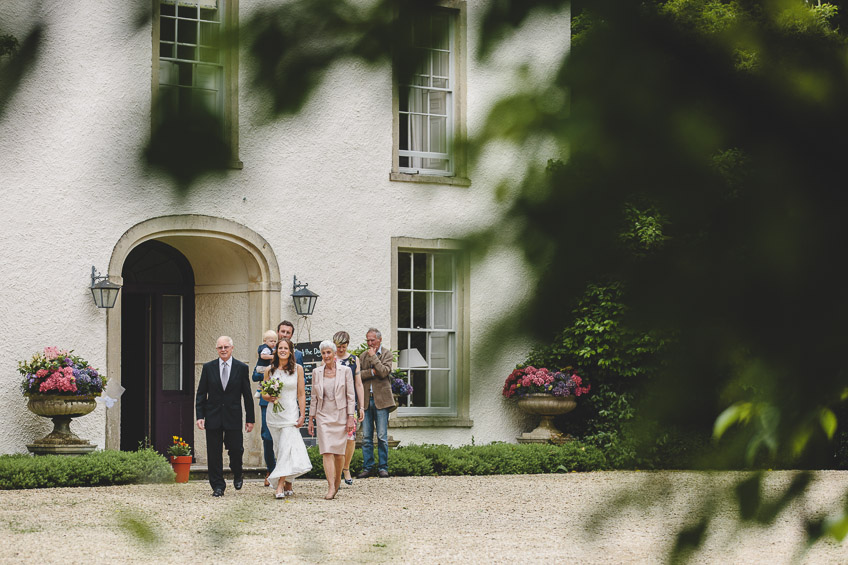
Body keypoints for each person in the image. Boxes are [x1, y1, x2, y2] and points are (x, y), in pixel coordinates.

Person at [195, 336, 255, 497]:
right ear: (216, 349)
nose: (223, 350)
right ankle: (218, 486)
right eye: (220, 347)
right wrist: (200, 416)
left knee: (236, 450)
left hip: (233, 416)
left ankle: (237, 473)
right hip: (212, 416)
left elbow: (247, 395)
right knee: (214, 453)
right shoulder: (208, 368)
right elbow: (201, 394)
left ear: (232, 348)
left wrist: (250, 418)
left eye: (226, 347)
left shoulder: (241, 368)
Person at [263, 338, 312, 499]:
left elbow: (301, 393)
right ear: (276, 351)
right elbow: (263, 393)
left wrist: (303, 414)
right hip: (274, 415)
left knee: (286, 448)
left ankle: (279, 484)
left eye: (286, 348)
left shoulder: (297, 369)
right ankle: (289, 481)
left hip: (290, 414)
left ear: (290, 351)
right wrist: (268, 396)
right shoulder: (269, 371)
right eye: (280, 348)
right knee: (279, 449)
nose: (282, 350)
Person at [308, 341, 355, 500]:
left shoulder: (346, 371)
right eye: (323, 353)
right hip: (323, 414)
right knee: (326, 451)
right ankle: (330, 486)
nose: (326, 356)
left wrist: (350, 417)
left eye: (329, 352)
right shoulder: (316, 372)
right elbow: (313, 397)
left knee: (339, 453)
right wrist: (311, 417)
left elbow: (350, 395)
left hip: (340, 414)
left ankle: (337, 481)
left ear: (334, 354)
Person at [357, 328, 395, 479]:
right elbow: (358, 375)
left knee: (381, 436)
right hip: (366, 400)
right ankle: (368, 467)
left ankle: (383, 468)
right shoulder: (362, 356)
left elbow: (384, 371)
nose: (370, 343)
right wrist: (372, 372)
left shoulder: (387, 354)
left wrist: (374, 358)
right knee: (366, 437)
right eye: (368, 340)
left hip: (382, 401)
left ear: (379, 340)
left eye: (372, 340)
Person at [333, 331, 365, 486]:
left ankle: (346, 467)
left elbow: (358, 383)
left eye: (343, 347)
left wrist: (362, 406)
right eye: (338, 346)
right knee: (335, 437)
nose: (340, 350)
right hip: (333, 404)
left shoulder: (353, 360)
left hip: (350, 403)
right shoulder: (329, 358)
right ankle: (336, 472)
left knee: (350, 438)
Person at [252, 330, 278, 486]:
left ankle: (282, 472)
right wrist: (267, 373)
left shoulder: (284, 356)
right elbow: (255, 376)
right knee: (267, 436)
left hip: (282, 402)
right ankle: (271, 469)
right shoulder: (265, 352)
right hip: (265, 401)